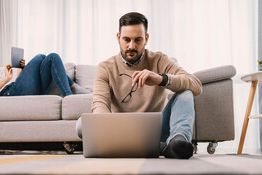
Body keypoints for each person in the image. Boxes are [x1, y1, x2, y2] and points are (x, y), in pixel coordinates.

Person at [86, 12, 202, 159]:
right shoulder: (105, 67)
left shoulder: (159, 60)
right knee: (81, 126)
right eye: (126, 39)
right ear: (118, 38)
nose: (131, 46)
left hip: (157, 131)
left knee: (186, 93)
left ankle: (176, 142)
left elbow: (196, 85)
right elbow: (100, 104)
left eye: (138, 40)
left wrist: (161, 79)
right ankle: (160, 148)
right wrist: (107, 129)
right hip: (121, 133)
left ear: (146, 38)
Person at [0, 38, 90, 97]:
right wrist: (5, 79)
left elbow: (18, 82)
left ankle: (72, 90)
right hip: (8, 94)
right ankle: (70, 94)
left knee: (51, 58)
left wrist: (21, 70)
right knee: (41, 57)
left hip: (16, 88)